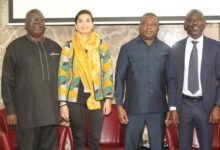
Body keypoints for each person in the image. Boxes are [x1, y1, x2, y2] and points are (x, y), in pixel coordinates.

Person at [1, 9, 61, 150]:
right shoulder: (14, 48)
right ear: (26, 24)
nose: (38, 23)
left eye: (41, 20)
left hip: (51, 115)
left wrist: (62, 107)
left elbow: (64, 81)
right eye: (34, 19)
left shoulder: (55, 48)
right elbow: (7, 81)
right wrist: (10, 110)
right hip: (26, 115)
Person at [58, 9, 113, 150]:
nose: (84, 24)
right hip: (74, 97)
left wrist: (108, 98)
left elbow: (107, 72)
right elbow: (62, 75)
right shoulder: (69, 46)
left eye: (88, 20)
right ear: (76, 25)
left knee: (95, 137)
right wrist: (62, 103)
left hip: (97, 96)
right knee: (78, 136)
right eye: (80, 21)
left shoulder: (101, 45)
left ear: (93, 24)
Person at [115, 12, 171, 150]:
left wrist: (172, 107)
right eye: (145, 23)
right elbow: (119, 77)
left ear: (158, 28)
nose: (148, 27)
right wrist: (119, 105)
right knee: (130, 146)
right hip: (133, 109)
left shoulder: (166, 50)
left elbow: (171, 81)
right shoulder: (127, 48)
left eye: (153, 24)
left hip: (158, 109)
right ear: (139, 26)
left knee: (158, 146)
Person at [168, 9, 220, 150]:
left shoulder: (216, 47)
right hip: (183, 106)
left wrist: (217, 106)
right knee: (183, 146)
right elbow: (172, 79)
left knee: (205, 147)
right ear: (186, 25)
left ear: (204, 23)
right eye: (190, 20)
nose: (194, 22)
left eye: (197, 19)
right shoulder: (176, 48)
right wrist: (173, 107)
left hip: (206, 107)